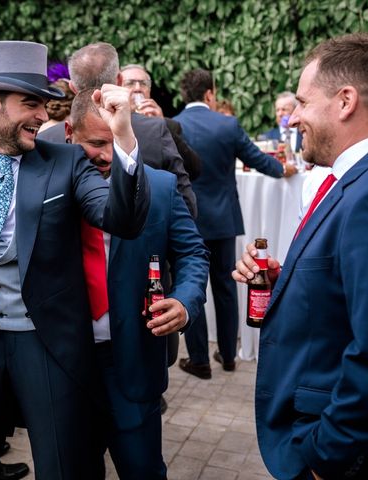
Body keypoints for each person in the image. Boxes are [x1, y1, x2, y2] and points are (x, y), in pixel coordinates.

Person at [0, 40, 149, 480]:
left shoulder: (65, 162)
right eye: (31, 104)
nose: (44, 116)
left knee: (64, 468)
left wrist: (124, 136)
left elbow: (120, 219)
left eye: (45, 105)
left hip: (48, 344)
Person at [232, 33, 368, 480]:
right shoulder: (346, 181)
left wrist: (325, 455)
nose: (292, 119)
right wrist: (284, 280)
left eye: (303, 103)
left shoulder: (364, 194)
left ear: (345, 100)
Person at [66, 88, 209, 479]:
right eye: (96, 143)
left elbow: (193, 254)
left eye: (115, 142)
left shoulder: (160, 187)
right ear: (68, 133)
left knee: (142, 469)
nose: (108, 156)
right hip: (64, 364)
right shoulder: (48, 187)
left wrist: (184, 302)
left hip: (132, 360)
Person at [173, 68, 297, 379]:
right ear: (210, 94)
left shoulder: (173, 125)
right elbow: (258, 160)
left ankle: (199, 359)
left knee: (192, 286)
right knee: (226, 287)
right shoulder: (227, 124)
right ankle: (228, 356)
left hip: (188, 220)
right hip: (224, 219)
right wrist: (284, 170)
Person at [39, 43, 197, 217]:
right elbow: (185, 206)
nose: (107, 155)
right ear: (120, 80)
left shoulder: (45, 140)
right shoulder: (155, 131)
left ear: (73, 88)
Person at [121, 63, 202, 181]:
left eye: (143, 84)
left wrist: (163, 126)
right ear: (118, 86)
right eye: (130, 83)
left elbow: (193, 170)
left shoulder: (169, 125)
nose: (138, 88)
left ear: (149, 90)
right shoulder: (107, 124)